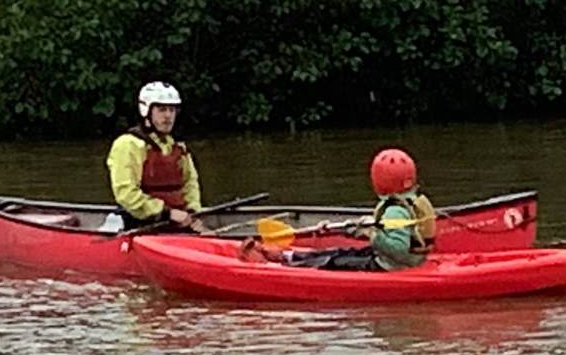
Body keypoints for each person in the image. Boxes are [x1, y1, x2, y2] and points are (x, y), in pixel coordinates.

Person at [242, 148, 438, 271]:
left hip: (392, 266)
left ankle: (275, 266)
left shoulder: (395, 209)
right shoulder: (414, 199)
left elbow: (398, 249)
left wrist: (370, 233)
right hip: (404, 261)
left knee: (334, 262)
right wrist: (361, 228)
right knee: (342, 251)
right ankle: (287, 256)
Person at [108, 81, 202, 228]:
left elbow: (190, 185)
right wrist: (166, 213)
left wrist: (192, 213)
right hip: (142, 223)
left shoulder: (177, 147)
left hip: (179, 221)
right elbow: (126, 193)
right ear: (146, 111)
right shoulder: (128, 145)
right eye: (162, 109)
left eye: (172, 110)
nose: (168, 116)